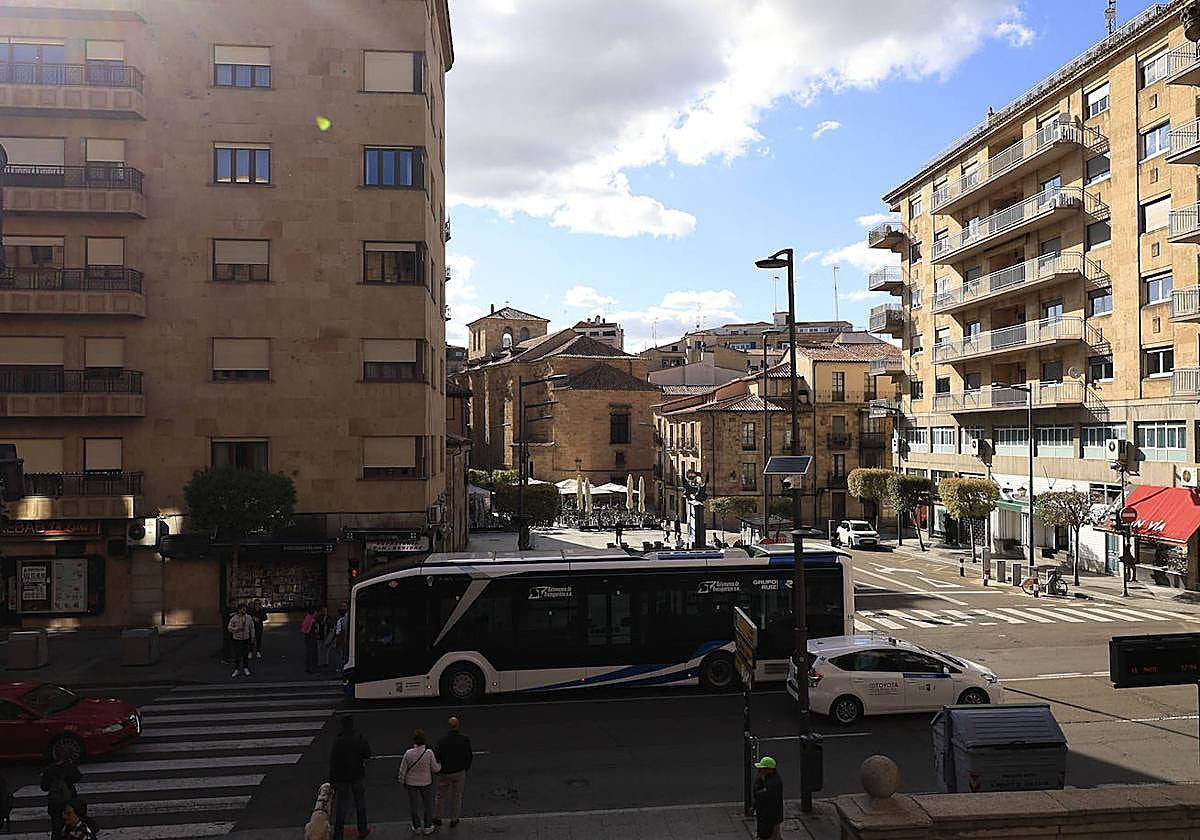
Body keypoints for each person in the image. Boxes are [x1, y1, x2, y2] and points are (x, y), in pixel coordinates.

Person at [328, 715, 372, 840]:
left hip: (342, 777)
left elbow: (333, 762)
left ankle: (338, 834)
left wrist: (332, 780)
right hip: (357, 775)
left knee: (341, 806)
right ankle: (362, 830)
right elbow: (368, 754)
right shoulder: (359, 738)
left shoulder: (338, 741)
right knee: (360, 804)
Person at [399, 728, 441, 835]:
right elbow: (435, 769)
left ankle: (416, 826)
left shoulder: (408, 753)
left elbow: (403, 769)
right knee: (427, 805)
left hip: (411, 783)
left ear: (414, 740)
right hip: (425, 782)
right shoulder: (429, 753)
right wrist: (440, 765)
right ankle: (427, 826)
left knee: (413, 805)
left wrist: (402, 780)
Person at [433, 716, 473, 828]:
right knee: (457, 796)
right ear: (458, 726)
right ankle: (454, 819)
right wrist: (465, 768)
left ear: (448, 726)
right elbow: (469, 756)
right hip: (459, 771)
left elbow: (437, 757)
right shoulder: (464, 739)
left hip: (445, 772)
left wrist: (439, 769)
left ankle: (438, 817)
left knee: (440, 795)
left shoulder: (441, 741)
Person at [40, 756, 81, 840]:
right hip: (70, 801)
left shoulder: (49, 770)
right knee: (71, 825)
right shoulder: (70, 767)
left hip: (55, 803)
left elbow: (44, 787)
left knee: (56, 828)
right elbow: (78, 777)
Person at [752, 756, 784, 840]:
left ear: (769, 770)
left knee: (772, 836)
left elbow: (758, 794)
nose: (760, 770)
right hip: (766, 817)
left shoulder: (773, 784)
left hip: (770, 818)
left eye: (762, 769)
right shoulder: (767, 779)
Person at [227, 602, 255, 678]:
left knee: (245, 654)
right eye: (243, 609)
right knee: (237, 655)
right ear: (239, 610)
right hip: (237, 639)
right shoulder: (234, 618)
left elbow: (252, 627)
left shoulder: (248, 617)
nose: (244, 610)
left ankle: (245, 668)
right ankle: (236, 669)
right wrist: (236, 629)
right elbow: (229, 628)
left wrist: (252, 636)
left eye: (245, 609)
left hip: (246, 638)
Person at [332, 606, 349, 675]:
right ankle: (345, 667)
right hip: (347, 639)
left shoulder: (340, 621)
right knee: (345, 654)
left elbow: (337, 632)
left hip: (341, 639)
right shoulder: (348, 619)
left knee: (339, 654)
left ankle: (339, 668)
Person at [302, 606, 319, 673]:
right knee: (313, 652)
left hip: (306, 636)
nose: (316, 613)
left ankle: (308, 667)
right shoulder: (312, 620)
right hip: (311, 637)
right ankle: (313, 668)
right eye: (316, 612)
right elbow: (314, 630)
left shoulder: (307, 617)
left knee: (308, 652)